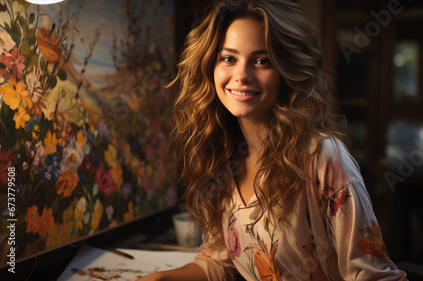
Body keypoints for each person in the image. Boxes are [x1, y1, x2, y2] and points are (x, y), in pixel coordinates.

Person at [138, 0, 408, 280]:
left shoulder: (323, 157)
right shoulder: (220, 156)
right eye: (229, 58)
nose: (241, 75)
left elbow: (375, 277)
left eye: (262, 61)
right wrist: (162, 278)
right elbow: (219, 263)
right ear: (210, 67)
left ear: (286, 71)